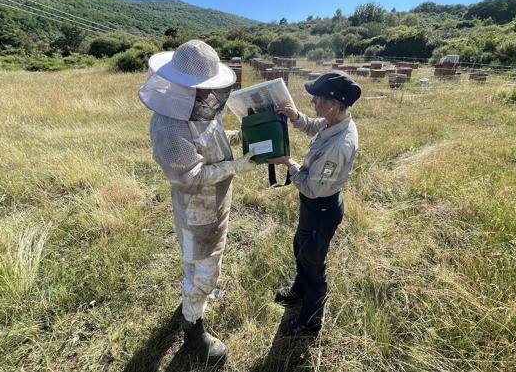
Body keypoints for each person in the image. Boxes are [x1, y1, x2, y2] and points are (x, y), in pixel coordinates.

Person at [139, 40, 255, 363]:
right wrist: (235, 167)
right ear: (182, 86)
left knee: (200, 261)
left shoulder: (197, 104)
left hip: (215, 204)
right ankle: (193, 332)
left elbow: (212, 135)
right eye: (202, 89)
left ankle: (192, 297)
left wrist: (238, 138)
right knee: (204, 267)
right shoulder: (167, 125)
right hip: (197, 211)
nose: (208, 95)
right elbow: (189, 178)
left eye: (209, 88)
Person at [267, 70, 361, 336]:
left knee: (314, 266)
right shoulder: (333, 121)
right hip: (314, 205)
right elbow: (311, 125)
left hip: (321, 207)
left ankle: (310, 323)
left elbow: (310, 186)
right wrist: (295, 116)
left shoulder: (339, 145)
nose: (312, 104)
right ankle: (299, 291)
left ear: (332, 104)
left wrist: (287, 163)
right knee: (301, 247)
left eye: (316, 99)